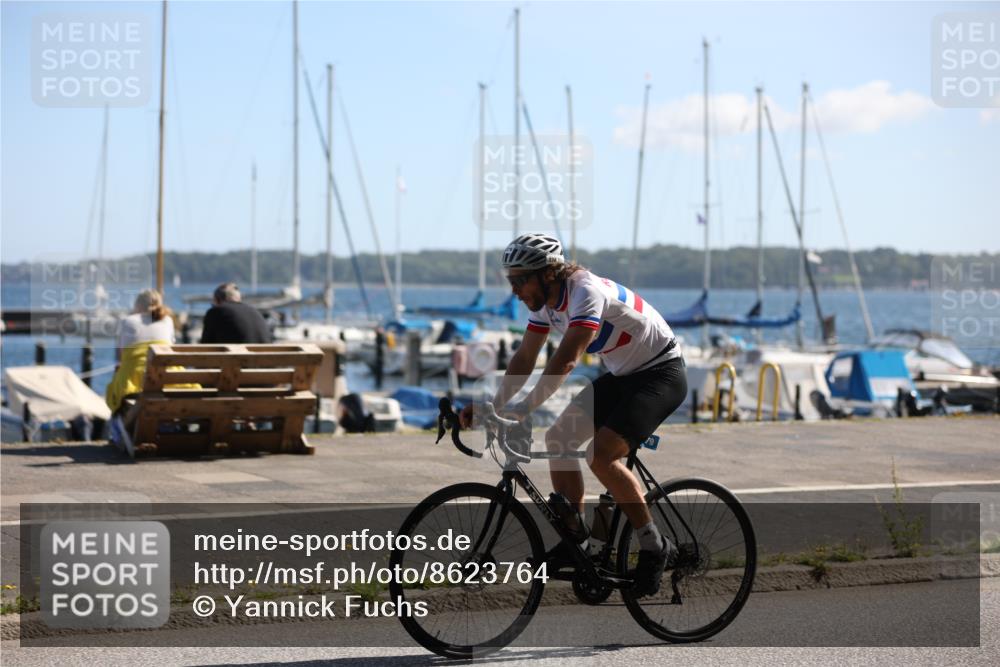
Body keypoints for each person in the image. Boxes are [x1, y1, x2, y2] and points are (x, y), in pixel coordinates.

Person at [460, 233, 688, 597]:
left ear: (547, 273)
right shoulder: (544, 303)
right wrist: (494, 405)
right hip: (623, 375)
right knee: (559, 439)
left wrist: (524, 409)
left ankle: (654, 546)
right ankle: (578, 541)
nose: (515, 290)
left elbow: (565, 360)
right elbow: (524, 358)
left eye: (520, 280)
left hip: (661, 373)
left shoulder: (585, 291)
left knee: (601, 455)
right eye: (511, 281)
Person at [106, 289, 175, 412]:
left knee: (115, 385)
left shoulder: (128, 321)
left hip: (134, 383)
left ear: (138, 305)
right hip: (166, 380)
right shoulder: (167, 321)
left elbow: (121, 358)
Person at [200, 282, 273, 344]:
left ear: (217, 300)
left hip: (236, 359)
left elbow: (205, 345)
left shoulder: (215, 311)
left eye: (213, 304)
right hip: (266, 359)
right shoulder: (255, 312)